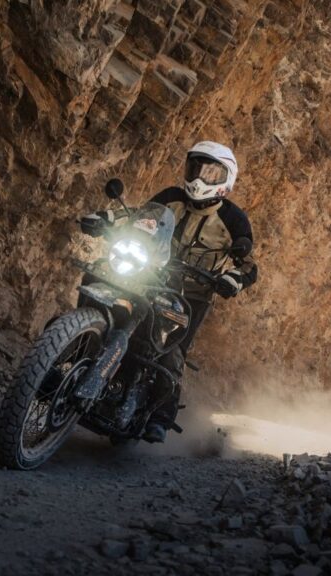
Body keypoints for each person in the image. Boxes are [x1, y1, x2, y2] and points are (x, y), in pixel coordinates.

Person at [80, 141, 258, 443]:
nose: (200, 177)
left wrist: (234, 279)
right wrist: (105, 218)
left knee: (172, 350)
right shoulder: (171, 197)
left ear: (226, 179)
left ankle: (161, 416)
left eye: (211, 172)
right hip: (149, 274)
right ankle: (70, 346)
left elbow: (250, 265)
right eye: (196, 168)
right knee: (96, 272)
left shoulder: (233, 219)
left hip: (191, 294)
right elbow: (140, 215)